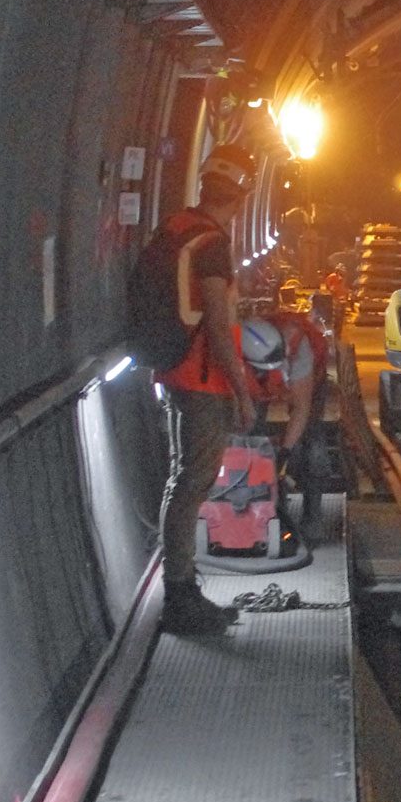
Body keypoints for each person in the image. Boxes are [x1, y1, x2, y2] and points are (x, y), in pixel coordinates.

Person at [152, 145, 261, 635]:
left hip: (175, 370)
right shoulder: (213, 243)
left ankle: (180, 589)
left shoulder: (176, 227)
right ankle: (180, 598)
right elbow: (219, 325)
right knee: (193, 482)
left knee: (182, 480)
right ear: (240, 196)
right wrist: (241, 390)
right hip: (203, 378)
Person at [238, 312, 329, 533]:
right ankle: (249, 505)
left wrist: (284, 453)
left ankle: (312, 516)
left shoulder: (300, 349)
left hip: (308, 383)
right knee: (248, 441)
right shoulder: (234, 352)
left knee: (310, 443)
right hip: (255, 387)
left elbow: (301, 409)